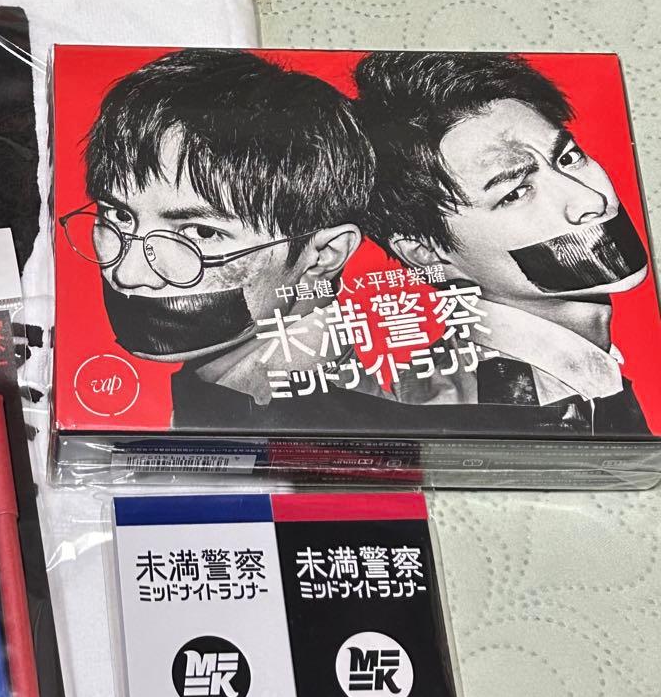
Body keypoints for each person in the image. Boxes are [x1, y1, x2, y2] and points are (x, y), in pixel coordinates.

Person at [62, 48, 406, 430]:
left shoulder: (306, 421)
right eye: (120, 216)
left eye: (201, 232)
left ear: (324, 254)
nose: (128, 273)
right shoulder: (229, 386)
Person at [354, 51, 652, 434]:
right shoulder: (493, 409)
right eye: (515, 193)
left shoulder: (578, 371)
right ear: (427, 253)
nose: (590, 201)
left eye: (568, 158)